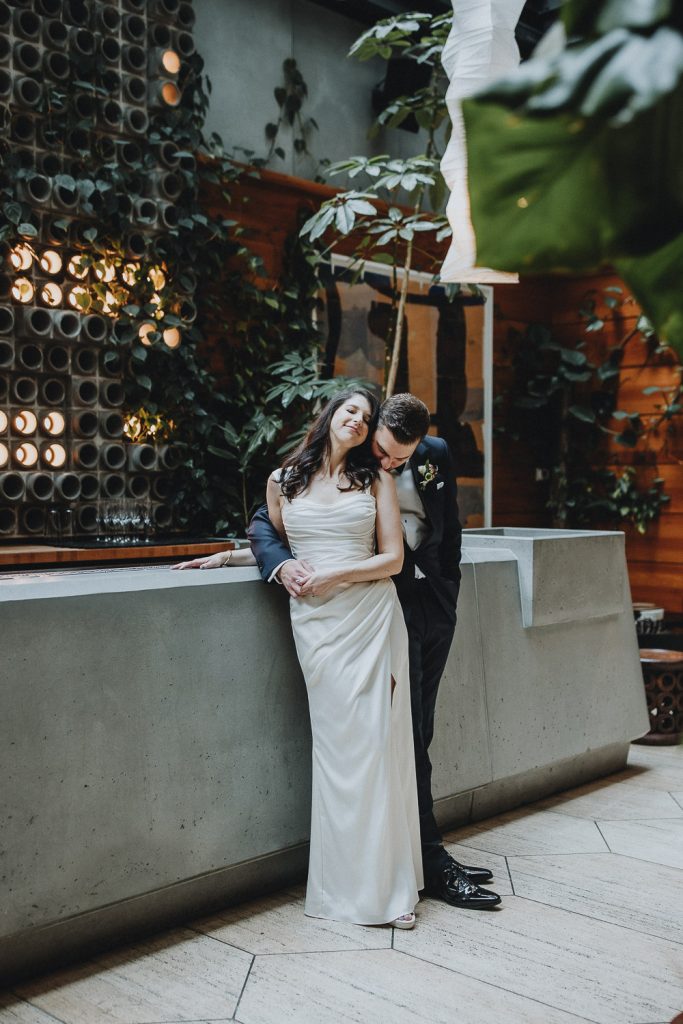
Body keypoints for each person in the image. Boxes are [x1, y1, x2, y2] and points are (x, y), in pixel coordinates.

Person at [176, 390, 423, 928]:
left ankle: (388, 888)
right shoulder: (283, 481)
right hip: (317, 630)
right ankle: (344, 887)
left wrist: (334, 574)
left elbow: (394, 557)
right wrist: (230, 556)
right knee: (337, 755)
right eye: (350, 410)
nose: (357, 420)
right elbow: (281, 545)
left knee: (375, 747)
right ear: (331, 415)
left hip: (369, 620)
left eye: (366, 415)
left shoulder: (375, 479)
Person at [248, 393, 501, 910]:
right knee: (388, 737)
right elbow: (275, 521)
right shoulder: (352, 462)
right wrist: (252, 557)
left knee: (417, 729)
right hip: (367, 610)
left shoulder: (432, 455)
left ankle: (419, 857)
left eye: (397, 459)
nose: (387, 462)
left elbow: (445, 526)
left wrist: (446, 588)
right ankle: (428, 861)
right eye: (381, 449)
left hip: (426, 605)